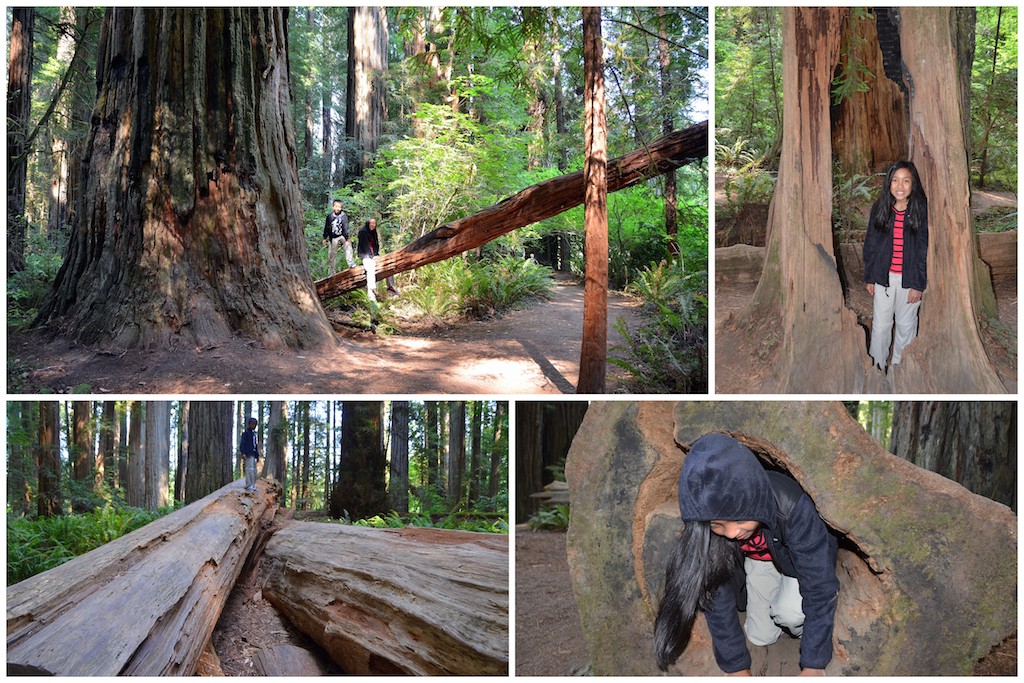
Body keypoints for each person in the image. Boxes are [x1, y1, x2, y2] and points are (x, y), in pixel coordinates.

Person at [654, 433, 838, 676]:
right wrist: (736, 668)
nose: (731, 533)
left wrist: (814, 664)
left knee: (789, 614)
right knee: (759, 635)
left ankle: (802, 623)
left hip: (795, 563)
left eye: (739, 519)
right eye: (717, 525)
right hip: (760, 561)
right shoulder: (715, 535)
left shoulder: (792, 507)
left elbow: (819, 586)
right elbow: (715, 597)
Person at [862, 161, 929, 373]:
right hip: (884, 278)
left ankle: (901, 369)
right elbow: (871, 243)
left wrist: (917, 284)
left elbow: (922, 250)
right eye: (895, 180)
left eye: (906, 180)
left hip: (909, 281)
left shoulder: (920, 210)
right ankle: (878, 367)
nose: (900, 185)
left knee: (905, 326)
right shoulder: (880, 208)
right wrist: (870, 277)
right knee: (881, 326)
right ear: (889, 183)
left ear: (913, 184)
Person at [356, 218, 398, 302]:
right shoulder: (363, 232)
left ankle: (390, 286)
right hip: (365, 255)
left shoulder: (374, 231)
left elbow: (376, 244)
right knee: (370, 267)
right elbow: (365, 246)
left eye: (374, 223)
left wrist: (376, 254)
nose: (373, 225)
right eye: (371, 223)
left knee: (388, 262)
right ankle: (370, 291)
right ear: (368, 223)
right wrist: (372, 256)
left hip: (374, 255)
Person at [322, 198, 353, 276]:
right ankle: (331, 272)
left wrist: (347, 238)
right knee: (332, 254)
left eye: (339, 207)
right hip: (333, 237)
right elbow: (327, 227)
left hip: (341, 235)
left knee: (348, 246)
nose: (337, 208)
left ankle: (350, 262)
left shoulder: (343, 216)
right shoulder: (329, 217)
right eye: (336, 206)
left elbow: (346, 227)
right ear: (333, 207)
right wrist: (324, 237)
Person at [239, 417, 262, 491]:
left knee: (254, 470)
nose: (254, 426)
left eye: (255, 424)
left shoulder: (253, 435)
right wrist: (243, 453)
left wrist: (257, 456)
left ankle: (253, 484)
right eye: (252, 424)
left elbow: (255, 445)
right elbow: (242, 444)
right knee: (249, 469)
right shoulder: (245, 433)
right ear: (249, 424)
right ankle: (248, 485)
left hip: (253, 454)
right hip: (248, 454)